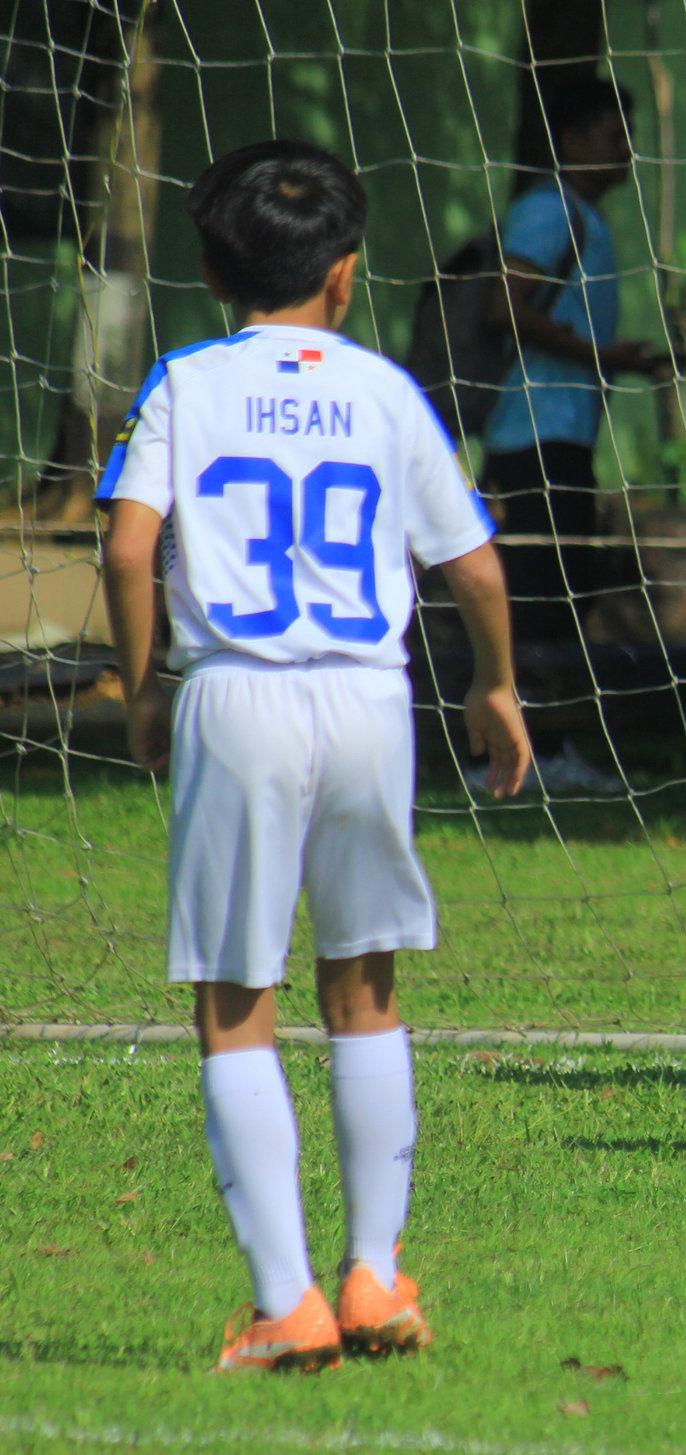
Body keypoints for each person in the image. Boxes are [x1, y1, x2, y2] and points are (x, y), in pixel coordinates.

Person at [96, 141, 533, 1371]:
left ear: (209, 268)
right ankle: (377, 1274)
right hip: (367, 698)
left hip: (236, 694)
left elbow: (132, 552)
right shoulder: (385, 389)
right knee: (366, 981)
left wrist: (142, 690)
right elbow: (476, 568)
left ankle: (286, 1300)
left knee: (237, 995)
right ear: (345, 275)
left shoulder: (187, 380)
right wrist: (492, 682)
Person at [484, 76, 665, 794]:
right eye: (614, 134)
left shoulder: (586, 219)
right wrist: (604, 356)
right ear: (573, 140)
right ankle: (508, 754)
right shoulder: (546, 211)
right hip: (531, 432)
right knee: (535, 595)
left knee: (563, 591)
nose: (627, 150)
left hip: (564, 433)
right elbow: (505, 305)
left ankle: (547, 747)